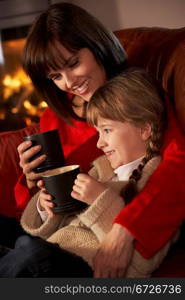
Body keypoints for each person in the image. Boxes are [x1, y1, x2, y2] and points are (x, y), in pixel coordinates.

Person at [11, 2, 185, 277]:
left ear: (97, 47)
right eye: (56, 75)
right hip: (57, 233)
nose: (69, 82)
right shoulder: (55, 118)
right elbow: (48, 207)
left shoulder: (137, 103)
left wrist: (125, 230)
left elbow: (178, 167)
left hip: (83, 246)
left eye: (73, 63)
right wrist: (33, 181)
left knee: (27, 258)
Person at [0, 69, 179, 277]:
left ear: (144, 129)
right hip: (50, 248)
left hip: (82, 267)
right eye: (98, 131)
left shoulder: (158, 180)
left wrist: (99, 200)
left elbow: (141, 264)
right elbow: (60, 226)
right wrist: (45, 207)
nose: (99, 143)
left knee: (33, 255)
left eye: (107, 130)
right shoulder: (100, 169)